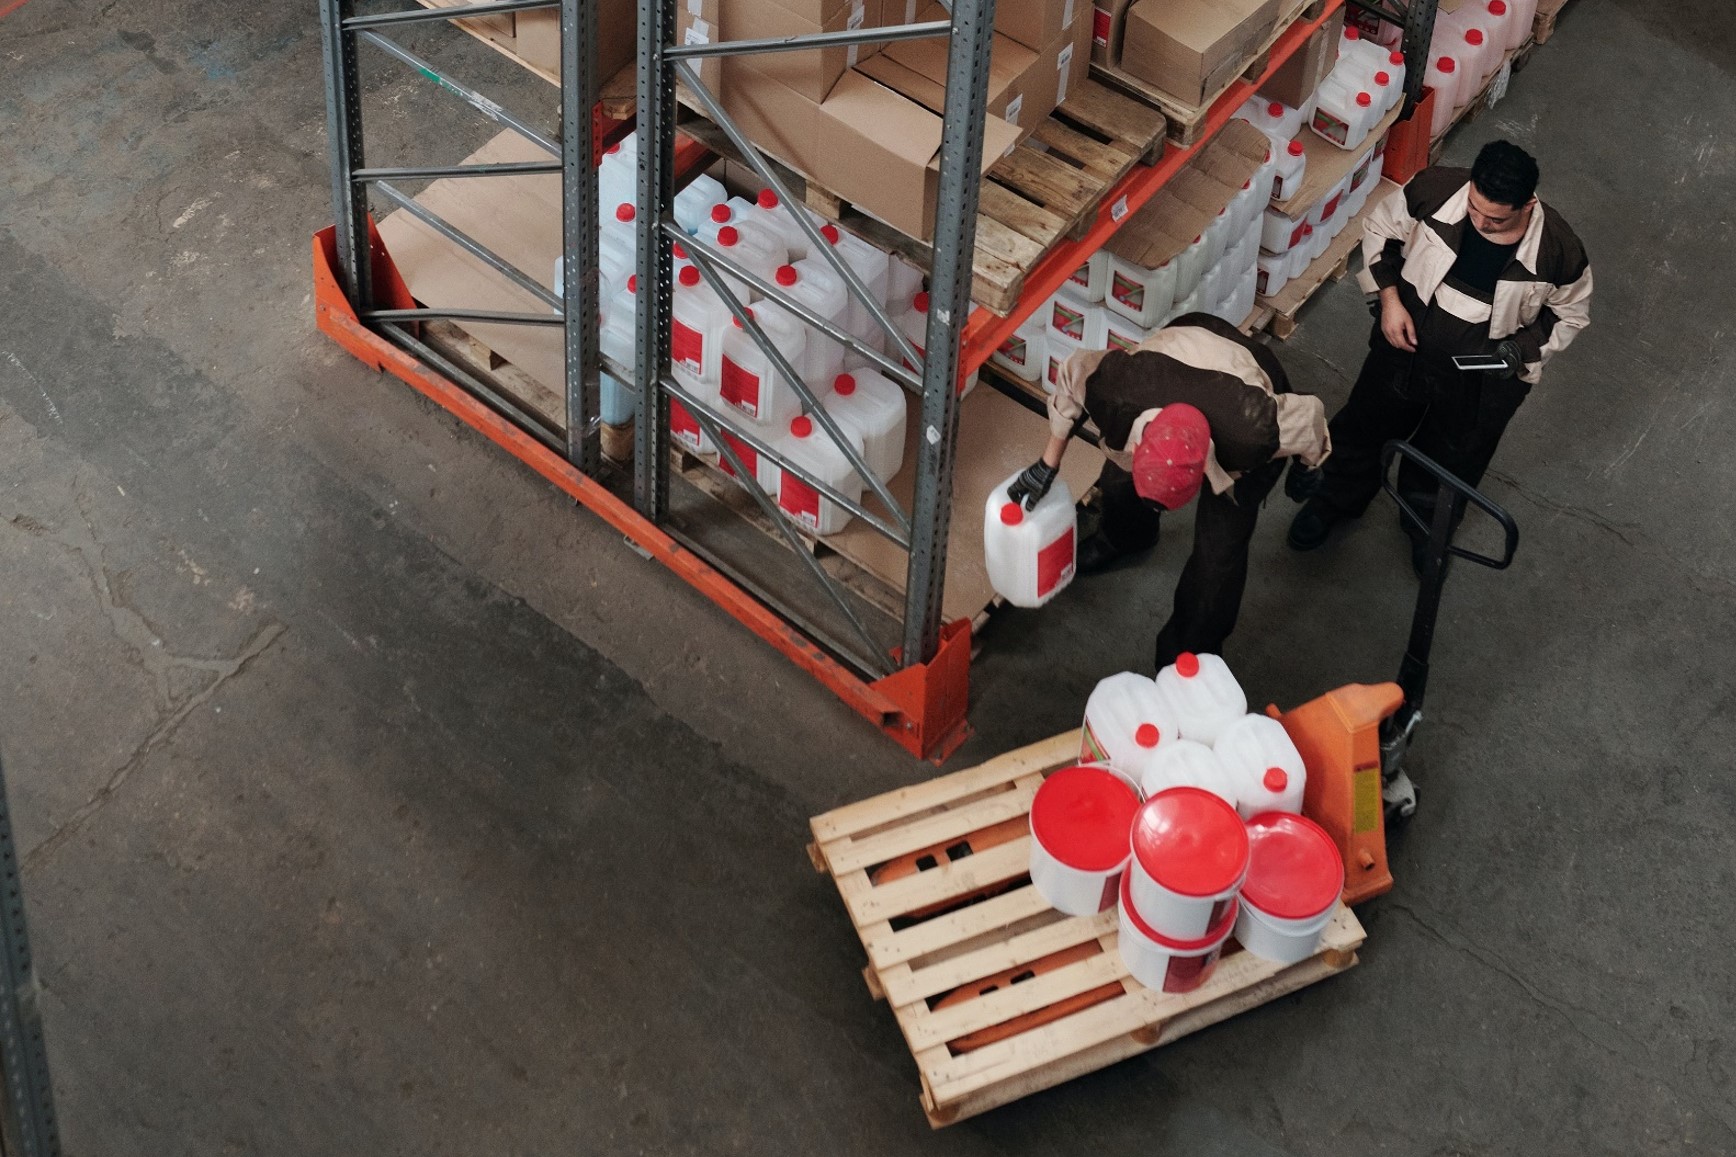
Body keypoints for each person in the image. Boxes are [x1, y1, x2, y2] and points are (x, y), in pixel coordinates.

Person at [1287, 140, 1592, 572]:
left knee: (1452, 457)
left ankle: (1426, 527)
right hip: (1405, 348)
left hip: (1487, 378)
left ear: (1527, 204)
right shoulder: (1434, 191)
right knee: (1365, 425)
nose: (1480, 223)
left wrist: (1518, 351)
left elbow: (1571, 315)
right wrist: (1389, 300)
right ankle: (1333, 499)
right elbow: (1380, 231)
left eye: (1496, 219)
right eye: (1474, 208)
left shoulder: (1559, 251)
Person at [1006, 312, 1329, 670]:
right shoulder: (1116, 389)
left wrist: (1308, 466)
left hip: (1250, 375)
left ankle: (1188, 654)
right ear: (1140, 442)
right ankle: (1125, 538)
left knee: (1219, 556)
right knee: (1116, 482)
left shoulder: (1255, 429)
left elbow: (1311, 416)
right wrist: (1047, 464)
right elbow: (1071, 373)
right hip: (1191, 334)